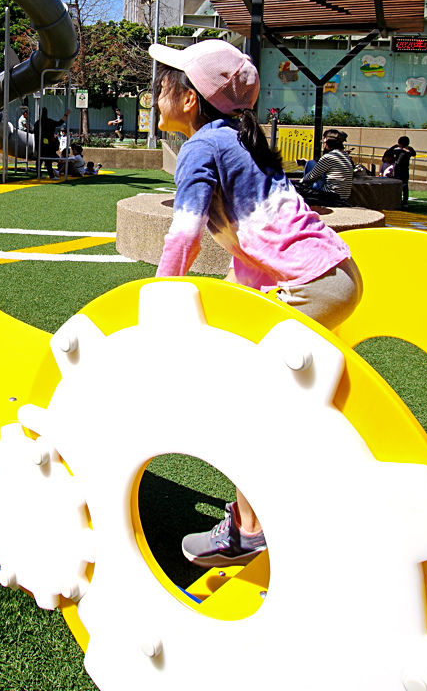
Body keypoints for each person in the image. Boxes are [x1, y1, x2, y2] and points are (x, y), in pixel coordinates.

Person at [148, 39, 360, 570]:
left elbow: (185, 235)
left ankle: (248, 530)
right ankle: (284, 510)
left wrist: (159, 298)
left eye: (165, 83)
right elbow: (251, 245)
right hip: (333, 274)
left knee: (248, 412)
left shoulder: (201, 148)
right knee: (274, 400)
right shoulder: (237, 141)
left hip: (310, 283)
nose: (155, 93)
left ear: (191, 99)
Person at [297, 129, 355, 206]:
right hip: (344, 195)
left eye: (324, 143)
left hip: (330, 195)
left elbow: (312, 176)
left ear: (327, 143)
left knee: (311, 163)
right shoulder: (345, 155)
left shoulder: (329, 157)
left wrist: (300, 183)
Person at [391, 135, 418, 205]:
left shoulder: (407, 151)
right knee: (400, 185)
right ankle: (398, 200)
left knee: (404, 185)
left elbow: (413, 153)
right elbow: (390, 152)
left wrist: (405, 149)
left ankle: (404, 201)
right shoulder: (398, 150)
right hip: (400, 170)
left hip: (402, 170)